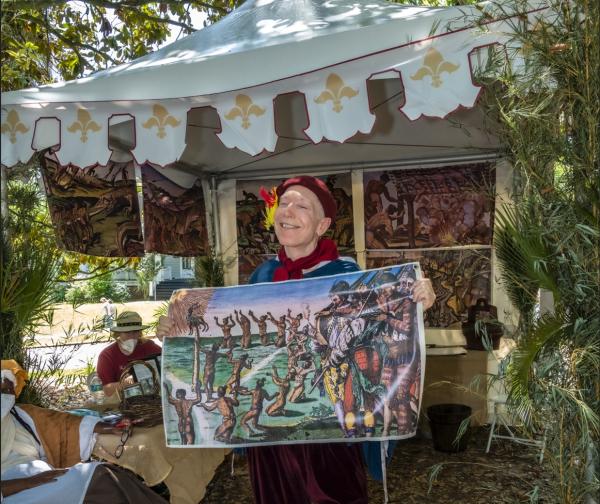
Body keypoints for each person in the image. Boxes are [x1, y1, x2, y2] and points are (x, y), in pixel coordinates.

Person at [157, 175, 436, 504]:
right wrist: (176, 332)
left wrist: (418, 300)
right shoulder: (262, 275)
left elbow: (378, 326)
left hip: (328, 432)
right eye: (283, 203)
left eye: (302, 205)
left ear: (322, 225)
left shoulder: (346, 275)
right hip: (271, 443)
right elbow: (222, 331)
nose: (288, 211)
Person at [0, 360, 167, 504]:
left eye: (9, 391)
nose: (6, 397)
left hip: (42, 476)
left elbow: (62, 424)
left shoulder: (21, 414)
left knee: (109, 477)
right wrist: (29, 482)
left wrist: (106, 426)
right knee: (104, 480)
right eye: (2, 390)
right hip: (15, 490)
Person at [96, 311, 161, 398]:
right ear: (118, 333)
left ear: (140, 332)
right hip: (123, 405)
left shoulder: (150, 347)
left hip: (153, 402)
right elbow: (106, 390)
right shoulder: (107, 355)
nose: (131, 336)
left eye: (135, 332)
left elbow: (169, 367)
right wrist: (127, 383)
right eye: (127, 332)